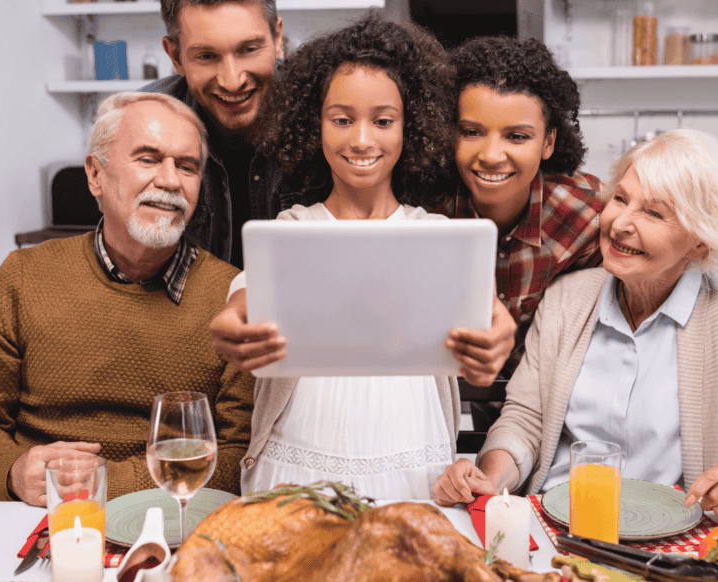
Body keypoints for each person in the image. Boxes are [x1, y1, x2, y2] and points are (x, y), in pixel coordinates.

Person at [433, 129, 718, 523]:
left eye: (653, 213)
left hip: (679, 545)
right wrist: (492, 476)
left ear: (700, 241)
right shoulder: (568, 299)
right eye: (621, 199)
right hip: (557, 527)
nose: (620, 223)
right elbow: (524, 420)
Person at [209, 13, 516, 499]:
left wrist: (493, 342)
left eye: (383, 121)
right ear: (317, 125)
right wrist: (231, 326)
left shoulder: (438, 237)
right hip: (294, 472)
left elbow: (487, 320)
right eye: (342, 120)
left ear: (408, 127)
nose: (361, 139)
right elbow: (243, 304)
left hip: (416, 471)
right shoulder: (292, 229)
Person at [0, 92, 254, 505]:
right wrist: (14, 472)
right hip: (41, 518)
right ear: (95, 175)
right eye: (148, 159)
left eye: (187, 166)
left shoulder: (233, 297)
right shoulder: (24, 276)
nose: (171, 180)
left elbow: (240, 454)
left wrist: (98, 484)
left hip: (176, 517)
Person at [437, 36, 605, 380]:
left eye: (517, 136)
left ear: (548, 142)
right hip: (450, 404)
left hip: (545, 406)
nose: (491, 155)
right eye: (471, 132)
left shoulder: (588, 210)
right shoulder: (424, 210)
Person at [146, 0, 314, 269]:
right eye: (207, 56)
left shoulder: (324, 112)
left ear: (277, 37)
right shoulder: (143, 122)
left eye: (248, 50)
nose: (232, 81)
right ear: (176, 56)